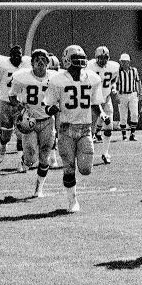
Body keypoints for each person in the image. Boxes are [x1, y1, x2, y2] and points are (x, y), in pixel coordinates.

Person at [43, 46, 102, 212]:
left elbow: (96, 105)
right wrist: (52, 110)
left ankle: (73, 199)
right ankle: (72, 202)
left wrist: (101, 117)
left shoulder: (92, 78)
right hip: (66, 129)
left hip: (85, 129)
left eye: (81, 58)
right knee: (68, 168)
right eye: (76, 57)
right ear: (67, 59)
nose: (80, 61)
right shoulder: (57, 80)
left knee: (85, 169)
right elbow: (47, 104)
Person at [8, 49, 56, 199]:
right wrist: (20, 107)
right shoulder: (22, 77)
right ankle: (24, 160)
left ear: (48, 62)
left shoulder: (55, 78)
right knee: (30, 159)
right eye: (37, 59)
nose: (40, 62)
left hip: (48, 120)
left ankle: (39, 189)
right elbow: (12, 97)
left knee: (45, 156)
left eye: (43, 59)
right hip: (30, 120)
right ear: (32, 63)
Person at [0, 46, 25, 168]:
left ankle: (21, 161)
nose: (16, 57)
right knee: (6, 135)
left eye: (18, 54)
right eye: (13, 55)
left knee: (21, 133)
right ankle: (3, 148)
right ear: (9, 56)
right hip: (4, 103)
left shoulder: (27, 64)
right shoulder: (1, 65)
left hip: (19, 104)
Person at [86, 46, 119, 164]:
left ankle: (105, 153)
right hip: (93, 102)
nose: (103, 60)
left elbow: (113, 81)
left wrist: (113, 89)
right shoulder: (89, 66)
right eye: (100, 58)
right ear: (96, 57)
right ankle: (88, 154)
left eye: (105, 58)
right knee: (91, 130)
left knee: (108, 126)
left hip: (106, 99)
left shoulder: (114, 67)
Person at [114, 54, 142, 141]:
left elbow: (138, 81)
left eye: (124, 62)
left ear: (128, 62)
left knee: (134, 114)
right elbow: (114, 83)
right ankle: (124, 135)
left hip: (132, 94)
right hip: (122, 94)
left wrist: (140, 93)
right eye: (121, 62)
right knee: (123, 116)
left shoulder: (134, 70)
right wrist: (116, 95)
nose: (122, 63)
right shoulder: (118, 72)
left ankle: (132, 134)